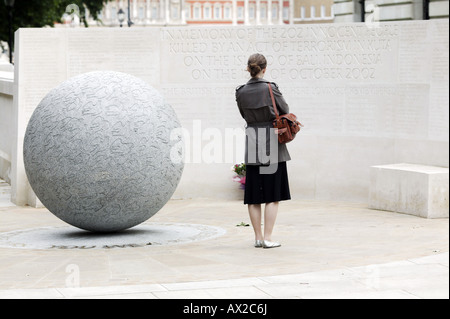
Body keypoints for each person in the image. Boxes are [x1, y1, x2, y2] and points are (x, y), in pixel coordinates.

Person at [235, 53, 291, 249]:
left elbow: (244, 114)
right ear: (264, 68)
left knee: (254, 196)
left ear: (249, 69)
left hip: (252, 141)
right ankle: (268, 237)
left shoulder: (240, 91)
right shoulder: (270, 88)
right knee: (272, 196)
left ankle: (258, 238)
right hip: (271, 143)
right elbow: (284, 108)